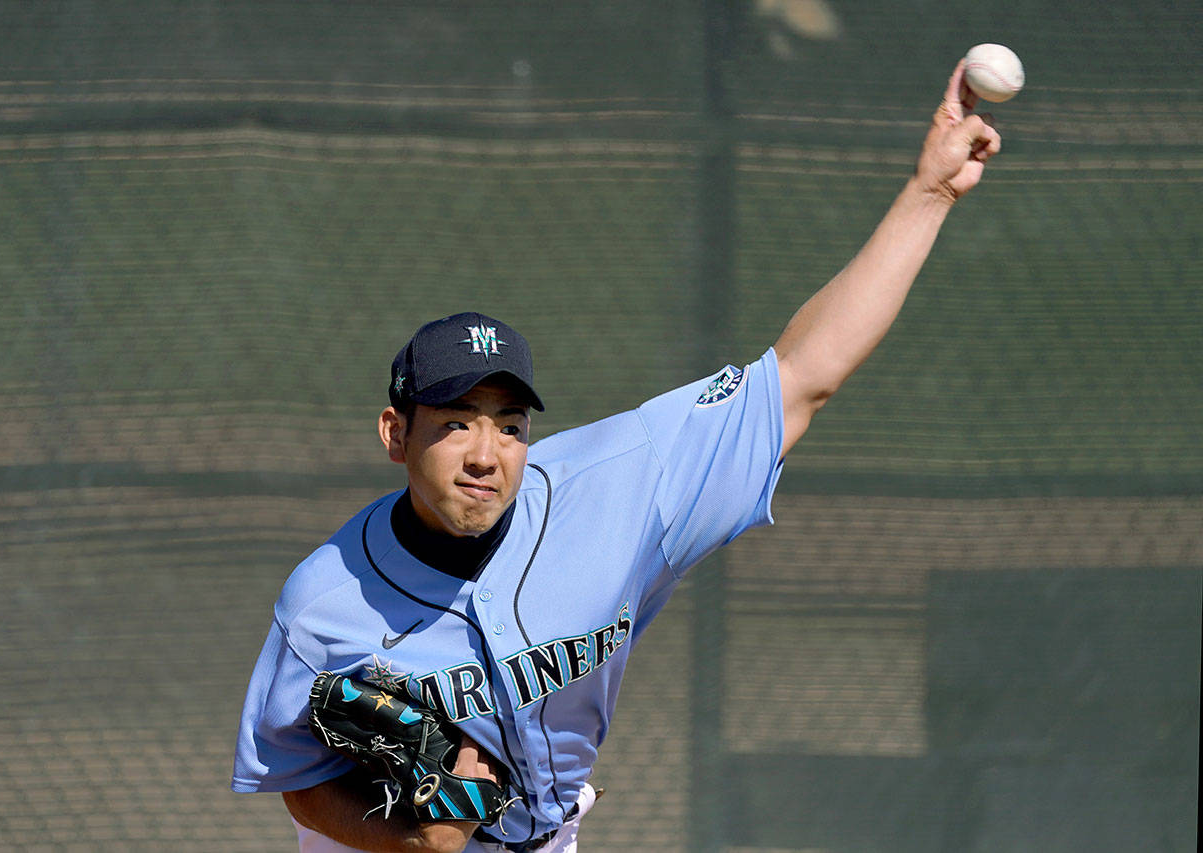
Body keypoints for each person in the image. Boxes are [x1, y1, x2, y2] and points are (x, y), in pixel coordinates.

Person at [232, 62, 1001, 853]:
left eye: (508, 423)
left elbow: (804, 377)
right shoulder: (326, 602)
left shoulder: (620, 489)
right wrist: (413, 839)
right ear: (397, 434)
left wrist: (930, 193)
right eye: (455, 423)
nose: (485, 453)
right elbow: (300, 784)